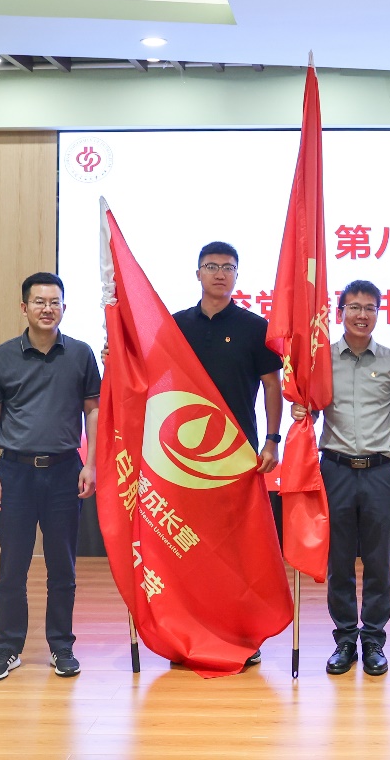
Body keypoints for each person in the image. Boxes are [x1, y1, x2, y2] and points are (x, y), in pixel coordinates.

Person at [104, 241, 283, 667]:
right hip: (179, 461)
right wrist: (116, 356)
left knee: (237, 554)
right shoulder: (176, 326)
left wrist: (273, 439)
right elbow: (148, 375)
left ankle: (241, 633)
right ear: (197, 272)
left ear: (237, 275)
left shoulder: (255, 327)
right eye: (212, 266)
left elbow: (272, 387)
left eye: (228, 267)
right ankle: (188, 632)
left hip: (237, 457)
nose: (220, 273)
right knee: (188, 551)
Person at [0, 272, 101, 682]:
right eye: (39, 302)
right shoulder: (2, 356)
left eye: (54, 302)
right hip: (15, 473)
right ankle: (8, 648)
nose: (47, 309)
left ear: (64, 307)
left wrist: (91, 463)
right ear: (24, 307)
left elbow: (93, 411)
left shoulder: (81, 354)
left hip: (65, 471)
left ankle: (61, 646)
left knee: (62, 567)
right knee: (12, 568)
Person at [292, 280, 390, 676]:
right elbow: (310, 410)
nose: (362, 315)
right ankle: (345, 639)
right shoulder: (321, 360)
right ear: (340, 312)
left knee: (379, 561)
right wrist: (300, 411)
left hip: (380, 472)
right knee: (339, 560)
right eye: (355, 307)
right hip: (336, 470)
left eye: (370, 308)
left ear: (378, 313)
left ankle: (373, 640)